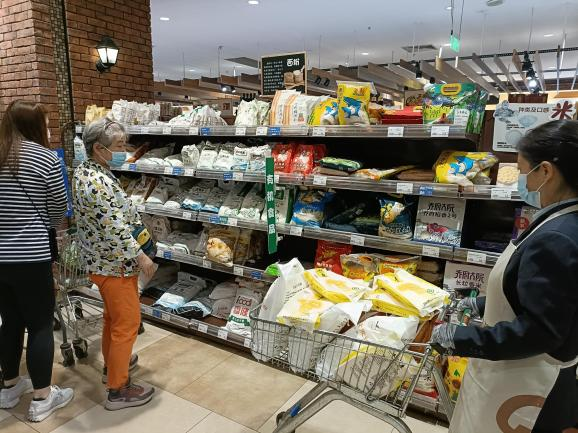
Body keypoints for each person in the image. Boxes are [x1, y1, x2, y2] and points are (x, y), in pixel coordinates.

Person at [431, 120, 578, 433]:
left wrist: (459, 338)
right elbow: (548, 299)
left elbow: (540, 331)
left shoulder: (557, 237)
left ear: (546, 172)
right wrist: (482, 304)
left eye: (523, 171)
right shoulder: (562, 221)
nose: (521, 181)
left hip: (526, 382)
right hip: (525, 372)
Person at [72, 118, 156, 411]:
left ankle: (112, 367)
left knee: (113, 320)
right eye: (119, 146)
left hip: (104, 262)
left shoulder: (88, 171)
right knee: (128, 324)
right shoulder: (95, 182)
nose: (125, 150)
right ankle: (118, 390)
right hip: (114, 265)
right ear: (99, 148)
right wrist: (142, 257)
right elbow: (115, 228)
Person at [0, 100, 74, 422]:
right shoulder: (45, 158)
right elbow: (58, 208)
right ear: (33, 125)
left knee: (9, 322)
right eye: (44, 123)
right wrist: (46, 223)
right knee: (40, 324)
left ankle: (9, 387)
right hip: (31, 255)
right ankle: (43, 397)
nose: (47, 129)